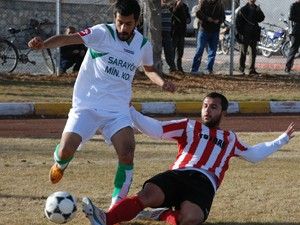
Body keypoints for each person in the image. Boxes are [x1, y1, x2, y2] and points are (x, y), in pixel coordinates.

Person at [28, 0, 175, 210]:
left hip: (118, 110)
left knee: (127, 151)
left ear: (137, 22)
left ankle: (116, 208)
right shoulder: (101, 33)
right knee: (66, 150)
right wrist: (44, 44)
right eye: (120, 22)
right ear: (114, 19)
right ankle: (60, 162)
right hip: (87, 105)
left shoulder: (143, 45)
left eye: (128, 24)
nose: (123, 28)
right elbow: (70, 39)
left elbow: (149, 69)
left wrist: (162, 83)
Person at [81, 92, 295, 225]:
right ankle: (105, 219)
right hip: (179, 174)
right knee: (147, 195)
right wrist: (130, 110)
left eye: (213, 107)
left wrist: (282, 140)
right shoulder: (189, 126)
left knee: (189, 219)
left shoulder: (230, 139)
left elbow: (255, 155)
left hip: (204, 184)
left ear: (223, 113)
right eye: (205, 106)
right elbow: (157, 129)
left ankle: (163, 215)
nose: (207, 110)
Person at [191, 0, 225, 75]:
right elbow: (198, 13)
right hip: (203, 30)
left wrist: (219, 20)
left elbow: (223, 17)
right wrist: (207, 18)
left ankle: (209, 69)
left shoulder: (220, 4)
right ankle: (194, 69)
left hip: (215, 30)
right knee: (200, 49)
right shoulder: (203, 2)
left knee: (212, 51)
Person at [235, 0, 265, 75]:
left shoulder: (257, 8)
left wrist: (259, 11)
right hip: (244, 34)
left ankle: (252, 69)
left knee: (253, 52)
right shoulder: (242, 9)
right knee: (243, 52)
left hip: (253, 33)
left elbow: (261, 18)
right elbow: (238, 23)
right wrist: (240, 34)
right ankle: (241, 69)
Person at [171, 0, 191, 73]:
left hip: (182, 31)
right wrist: (177, 6)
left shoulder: (185, 7)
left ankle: (179, 67)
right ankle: (172, 67)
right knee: (172, 50)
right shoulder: (172, 5)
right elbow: (172, 15)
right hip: (174, 31)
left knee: (180, 51)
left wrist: (187, 19)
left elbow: (188, 19)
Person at [161, 0, 177, 73]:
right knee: (156, 50)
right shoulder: (157, 5)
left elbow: (174, 4)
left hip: (167, 32)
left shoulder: (171, 4)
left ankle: (172, 67)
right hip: (158, 32)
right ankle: (159, 66)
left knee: (168, 50)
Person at [285, 0, 300, 73]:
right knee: (293, 49)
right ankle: (288, 67)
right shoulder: (293, 5)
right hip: (296, 31)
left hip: (296, 30)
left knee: (293, 49)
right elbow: (291, 17)